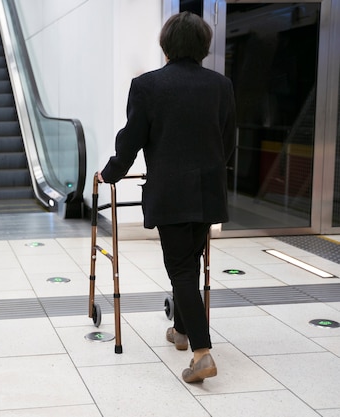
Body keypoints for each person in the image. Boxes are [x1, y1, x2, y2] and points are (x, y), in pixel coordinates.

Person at [98, 11, 236, 383]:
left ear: (166, 45)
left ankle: (202, 352)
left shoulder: (147, 86)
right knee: (189, 262)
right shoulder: (221, 86)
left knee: (180, 269)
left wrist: (108, 174)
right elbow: (228, 144)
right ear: (204, 46)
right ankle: (181, 331)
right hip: (208, 192)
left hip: (171, 194)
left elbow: (130, 144)